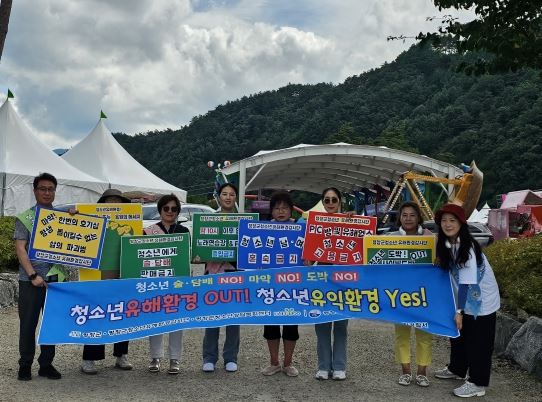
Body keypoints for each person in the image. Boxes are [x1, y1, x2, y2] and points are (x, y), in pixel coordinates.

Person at [433, 203, 500, 398]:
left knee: (479, 342)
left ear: (461, 223)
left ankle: (478, 382)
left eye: (452, 220)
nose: (447, 224)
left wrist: (459, 311)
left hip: (481, 301)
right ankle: (457, 368)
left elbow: (465, 284)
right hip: (466, 299)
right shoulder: (448, 244)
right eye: (444, 220)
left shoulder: (467, 247)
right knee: (459, 336)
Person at [15, 173, 62, 381]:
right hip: (30, 280)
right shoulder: (26, 217)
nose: (47, 192)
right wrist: (33, 274)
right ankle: (25, 364)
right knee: (28, 324)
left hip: (55, 280)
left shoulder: (62, 217)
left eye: (51, 189)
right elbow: (20, 248)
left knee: (51, 324)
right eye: (42, 188)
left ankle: (46, 364)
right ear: (35, 191)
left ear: (55, 191)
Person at [81, 189, 133, 374]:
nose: (113, 206)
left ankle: (121, 355)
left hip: (123, 276)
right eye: (109, 202)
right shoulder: (92, 222)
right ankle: (89, 358)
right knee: (95, 315)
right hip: (98, 276)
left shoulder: (131, 224)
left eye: (117, 202)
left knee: (123, 315)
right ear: (101, 205)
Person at [387, 202, 433, 387]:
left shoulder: (430, 237)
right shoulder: (390, 237)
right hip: (400, 295)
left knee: (424, 334)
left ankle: (422, 372)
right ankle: (405, 372)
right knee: (402, 335)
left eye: (412, 215)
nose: (408, 218)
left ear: (418, 217)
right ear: (400, 218)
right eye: (404, 215)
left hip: (424, 294)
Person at [145, 194, 189, 375]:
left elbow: (188, 256)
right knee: (155, 320)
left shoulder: (184, 231)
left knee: (176, 321)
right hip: (156, 282)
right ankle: (155, 357)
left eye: (174, 209)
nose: (170, 212)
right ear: (160, 210)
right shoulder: (148, 231)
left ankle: (175, 358)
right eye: (166, 208)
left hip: (177, 283)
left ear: (178, 212)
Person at [202, 183, 241, 373]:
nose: (227, 197)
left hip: (234, 273)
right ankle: (209, 357)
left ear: (236, 197)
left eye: (231, 194)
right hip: (213, 273)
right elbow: (200, 249)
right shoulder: (209, 219)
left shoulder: (244, 220)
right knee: (212, 317)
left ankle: (231, 357)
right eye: (224, 194)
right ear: (219, 196)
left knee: (233, 317)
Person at [261, 191, 299, 377]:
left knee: (292, 325)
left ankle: (288, 363)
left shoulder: (301, 227)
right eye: (277, 208)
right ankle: (274, 362)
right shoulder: (263, 229)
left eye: (285, 207)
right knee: (271, 325)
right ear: (272, 211)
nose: (281, 211)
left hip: (294, 285)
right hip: (270, 285)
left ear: (291, 210)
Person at [312, 187, 349, 381]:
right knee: (322, 326)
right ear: (323, 202)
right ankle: (324, 366)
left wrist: (353, 222)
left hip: (344, 283)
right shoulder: (314, 223)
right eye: (327, 200)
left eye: (334, 199)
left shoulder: (351, 222)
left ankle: (340, 366)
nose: (331, 203)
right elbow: (307, 257)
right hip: (321, 281)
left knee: (341, 327)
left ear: (340, 201)